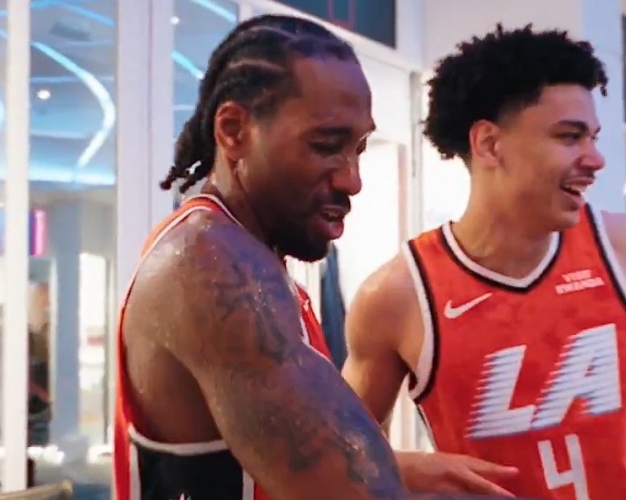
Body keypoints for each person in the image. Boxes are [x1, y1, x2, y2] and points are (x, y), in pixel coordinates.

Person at [112, 13, 522, 500]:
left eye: (359, 148)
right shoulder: (212, 265)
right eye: (326, 146)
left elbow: (280, 451)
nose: (352, 179)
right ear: (234, 131)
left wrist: (405, 468)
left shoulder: (243, 254)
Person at [342, 23, 626, 499]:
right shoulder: (398, 295)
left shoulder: (618, 244)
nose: (596, 159)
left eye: (593, 138)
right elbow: (341, 454)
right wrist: (408, 468)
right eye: (570, 137)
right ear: (489, 143)